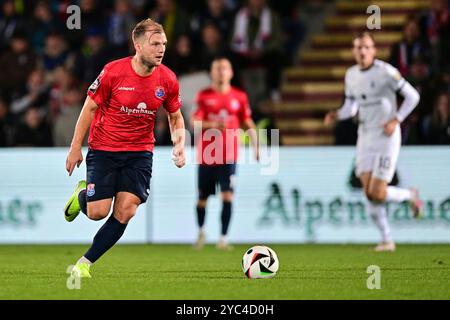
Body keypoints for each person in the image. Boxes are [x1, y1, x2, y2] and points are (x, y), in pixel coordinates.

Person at [64, 18, 185, 278]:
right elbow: (89, 108)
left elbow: (175, 115)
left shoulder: (168, 79)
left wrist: (180, 143)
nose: (161, 49)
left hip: (140, 153)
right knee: (97, 213)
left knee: (126, 209)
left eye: (163, 43)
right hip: (105, 148)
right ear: (138, 44)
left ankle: (84, 264)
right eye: (155, 44)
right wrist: (75, 148)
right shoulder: (113, 72)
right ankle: (82, 195)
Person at [324, 32, 423, 252]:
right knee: (368, 192)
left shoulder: (386, 72)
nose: (362, 51)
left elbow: (413, 97)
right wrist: (336, 114)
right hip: (365, 136)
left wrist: (396, 120)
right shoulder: (350, 75)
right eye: (358, 47)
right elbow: (351, 108)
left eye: (367, 47)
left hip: (386, 136)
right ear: (353, 51)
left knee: (377, 192)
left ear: (374, 50)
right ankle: (387, 240)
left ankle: (409, 196)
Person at [191, 57, 259, 250]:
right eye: (217, 68)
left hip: (229, 156)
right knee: (203, 198)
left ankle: (223, 238)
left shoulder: (239, 96)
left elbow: (247, 122)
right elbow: (194, 123)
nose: (221, 72)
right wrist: (212, 124)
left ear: (231, 73)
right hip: (207, 156)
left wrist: (257, 145)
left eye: (224, 68)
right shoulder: (204, 96)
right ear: (212, 73)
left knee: (227, 196)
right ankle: (201, 231)